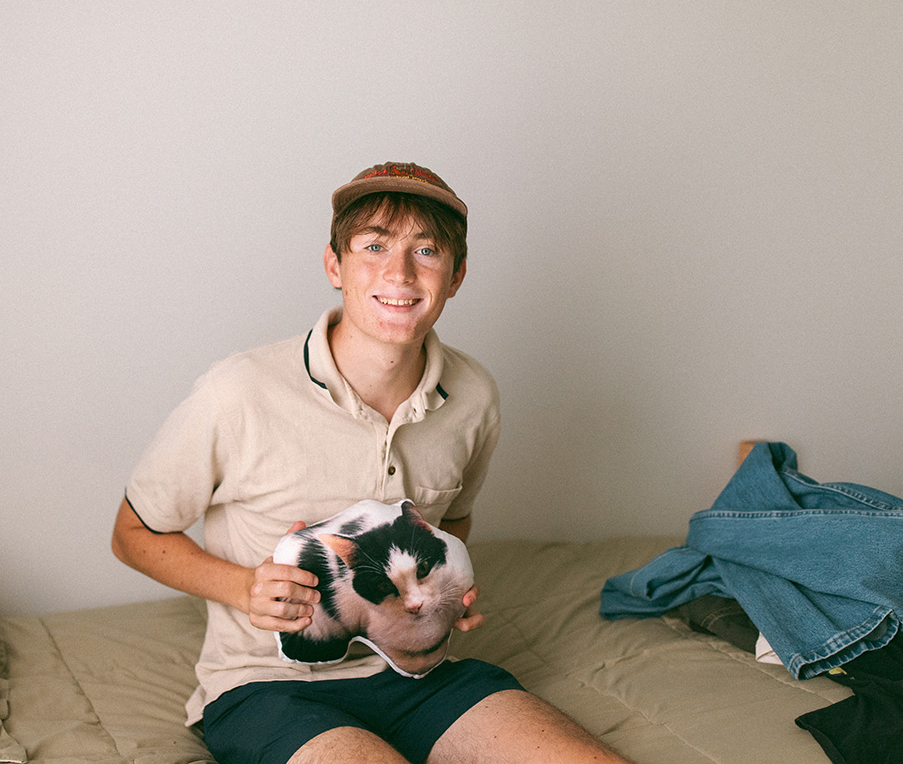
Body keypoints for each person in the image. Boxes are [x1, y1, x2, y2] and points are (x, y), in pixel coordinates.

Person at [112, 162, 631, 764]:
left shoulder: (475, 397)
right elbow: (132, 534)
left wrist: (444, 597)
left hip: (422, 676)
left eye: (426, 250)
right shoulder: (238, 391)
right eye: (374, 246)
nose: (400, 273)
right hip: (266, 686)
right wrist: (244, 586)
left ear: (456, 275)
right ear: (334, 265)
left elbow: (451, 523)